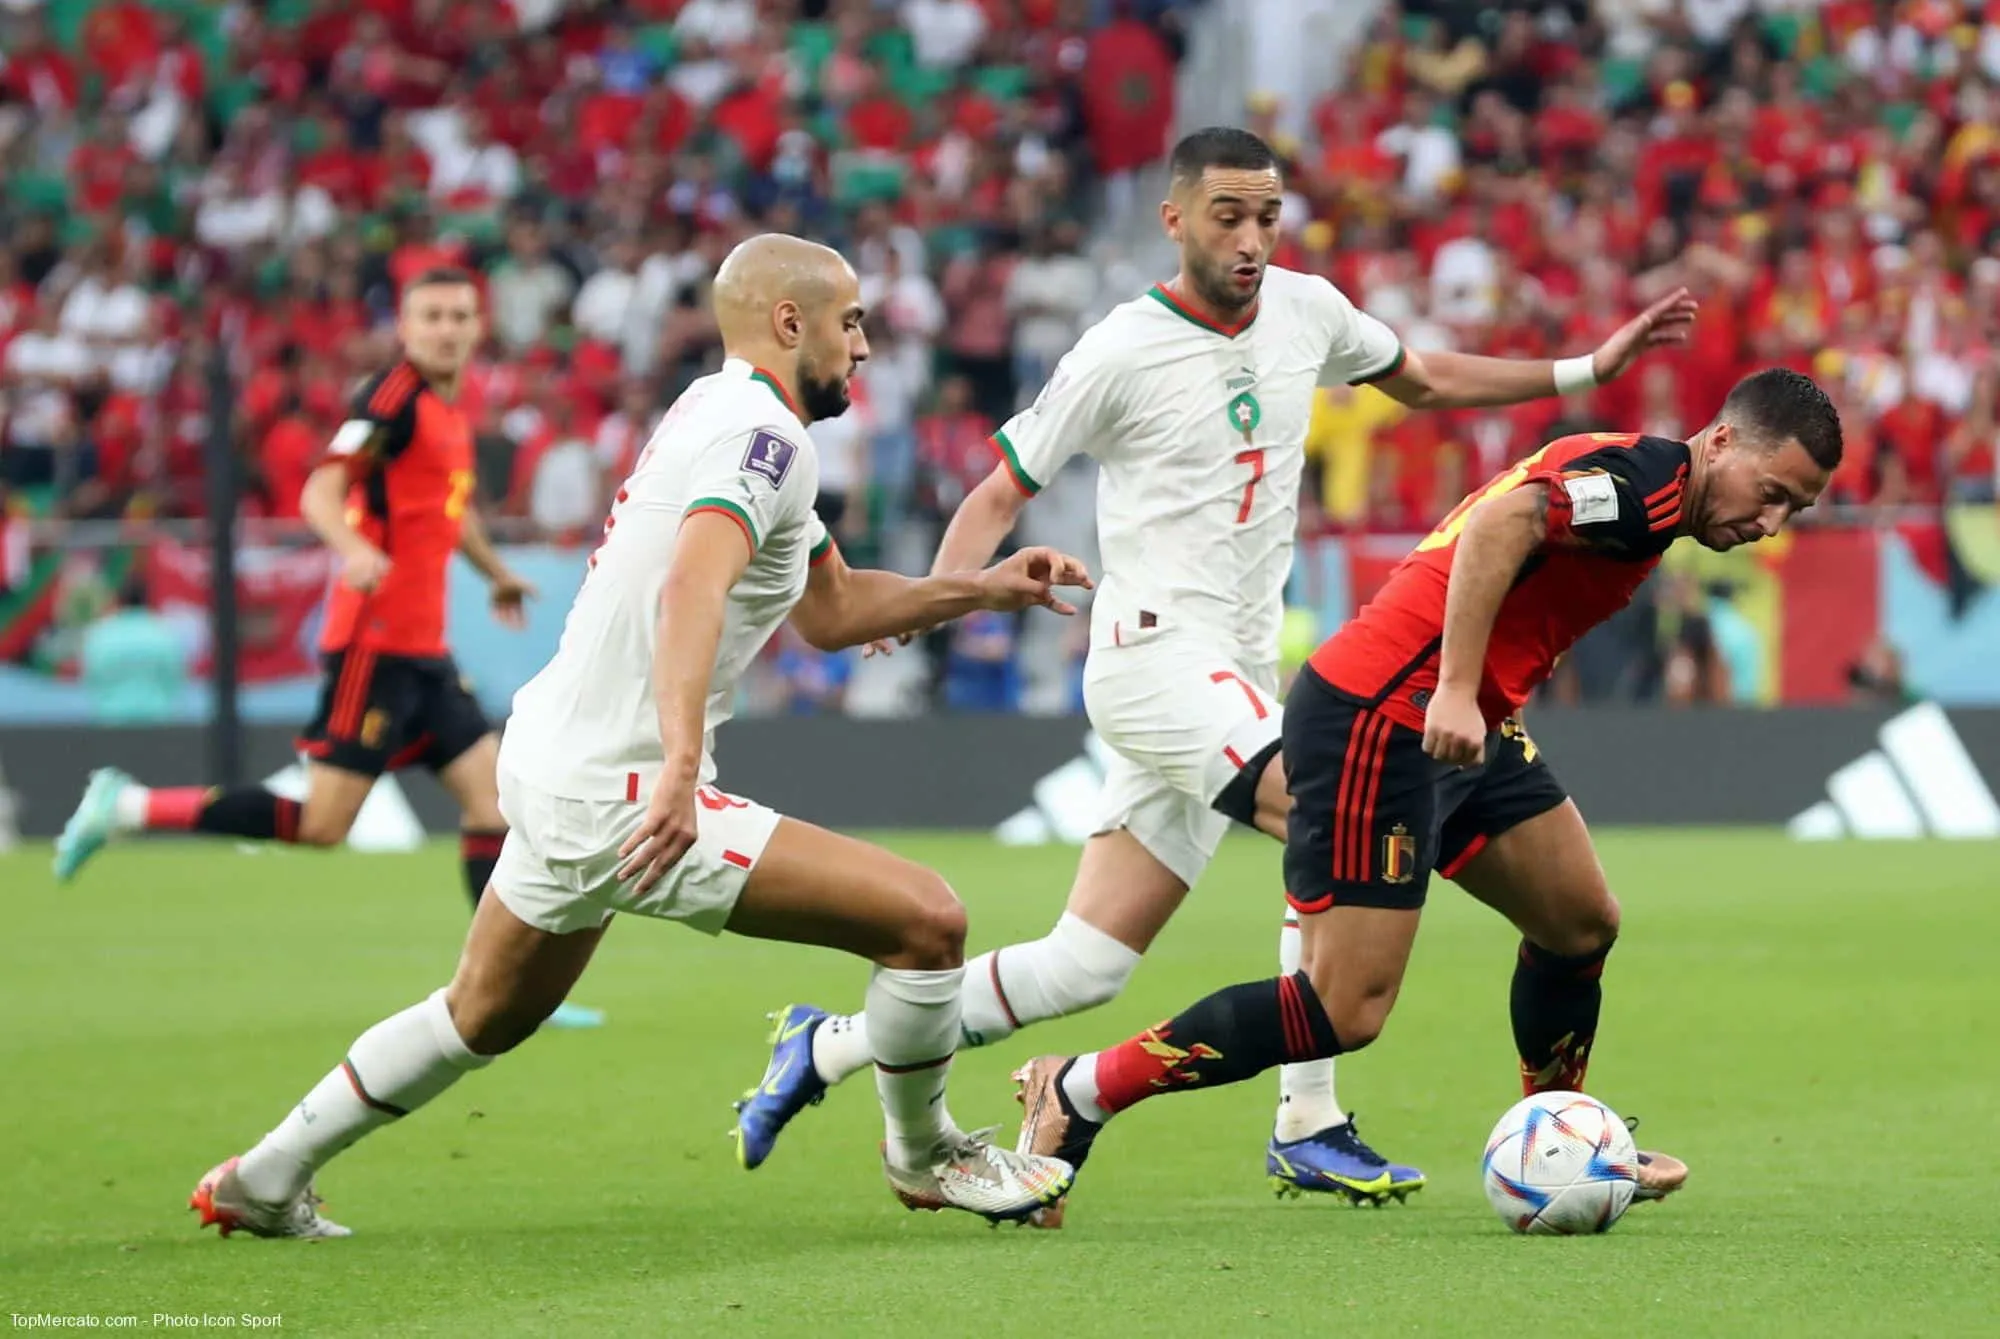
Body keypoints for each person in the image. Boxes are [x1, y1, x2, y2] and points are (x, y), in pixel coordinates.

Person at [733, 126, 1696, 1220]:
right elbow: (1000, 488)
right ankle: (1307, 1120)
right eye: (1228, 216)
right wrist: (939, 596)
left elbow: (1419, 378)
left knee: (1081, 964)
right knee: (1331, 799)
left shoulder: (1307, 309)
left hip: (1230, 679)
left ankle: (830, 1045)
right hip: (1150, 660)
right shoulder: (1117, 350)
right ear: (1175, 219)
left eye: (1266, 218)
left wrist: (1586, 368)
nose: (1249, 239)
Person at [184, 234, 1089, 1239]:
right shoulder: (769, 441)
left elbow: (829, 609)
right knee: (928, 921)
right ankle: (925, 1158)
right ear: (791, 324)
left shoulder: (720, 411)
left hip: (551, 759)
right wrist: (680, 769)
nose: (865, 345)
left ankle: (260, 1180)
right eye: (850, 321)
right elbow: (690, 587)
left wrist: (982, 586)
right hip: (622, 789)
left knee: (479, 1013)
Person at [1010, 368, 1844, 1219]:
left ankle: (1563, 1134)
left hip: (1466, 725)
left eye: (1795, 511)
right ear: (1722, 441)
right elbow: (1498, 524)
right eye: (1772, 493)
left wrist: (1466, 698)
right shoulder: (1645, 489)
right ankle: (1079, 1091)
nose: (1770, 522)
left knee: (1580, 920)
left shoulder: (1650, 485)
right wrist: (1452, 686)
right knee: (1344, 1007)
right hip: (1384, 715)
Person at [50, 270, 606, 1030]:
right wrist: (351, 548)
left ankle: (502, 989)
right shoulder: (392, 398)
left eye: (460, 315)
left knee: (494, 803)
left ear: (479, 326)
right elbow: (321, 490)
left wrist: (499, 573)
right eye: (432, 315)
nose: (447, 328)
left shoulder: (447, 410)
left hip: (424, 654)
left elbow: (450, 510)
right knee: (322, 825)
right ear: (406, 327)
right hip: (373, 647)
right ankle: (132, 804)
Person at [79, 577, 188, 725]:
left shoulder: (100, 634)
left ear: (119, 600)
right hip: (156, 721)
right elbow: (174, 676)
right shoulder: (164, 633)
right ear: (147, 599)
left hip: (111, 720)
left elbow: (91, 677)